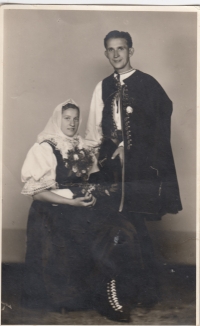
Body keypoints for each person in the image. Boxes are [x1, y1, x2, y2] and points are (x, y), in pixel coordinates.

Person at [21, 99, 142, 323]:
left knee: (122, 227)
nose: (72, 123)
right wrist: (71, 203)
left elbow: (92, 180)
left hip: (80, 206)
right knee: (100, 234)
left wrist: (94, 194)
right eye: (67, 118)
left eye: (76, 119)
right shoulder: (45, 147)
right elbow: (36, 192)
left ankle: (112, 292)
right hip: (53, 211)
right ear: (58, 119)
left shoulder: (81, 145)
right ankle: (97, 297)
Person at [85, 30, 182, 307]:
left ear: (131, 51)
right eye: (111, 49)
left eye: (121, 48)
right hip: (110, 170)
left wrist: (132, 147)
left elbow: (160, 122)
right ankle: (115, 293)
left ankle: (142, 293)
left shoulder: (148, 84)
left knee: (134, 226)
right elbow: (94, 131)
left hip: (138, 171)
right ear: (105, 53)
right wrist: (94, 164)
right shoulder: (101, 87)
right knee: (112, 228)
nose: (116, 54)